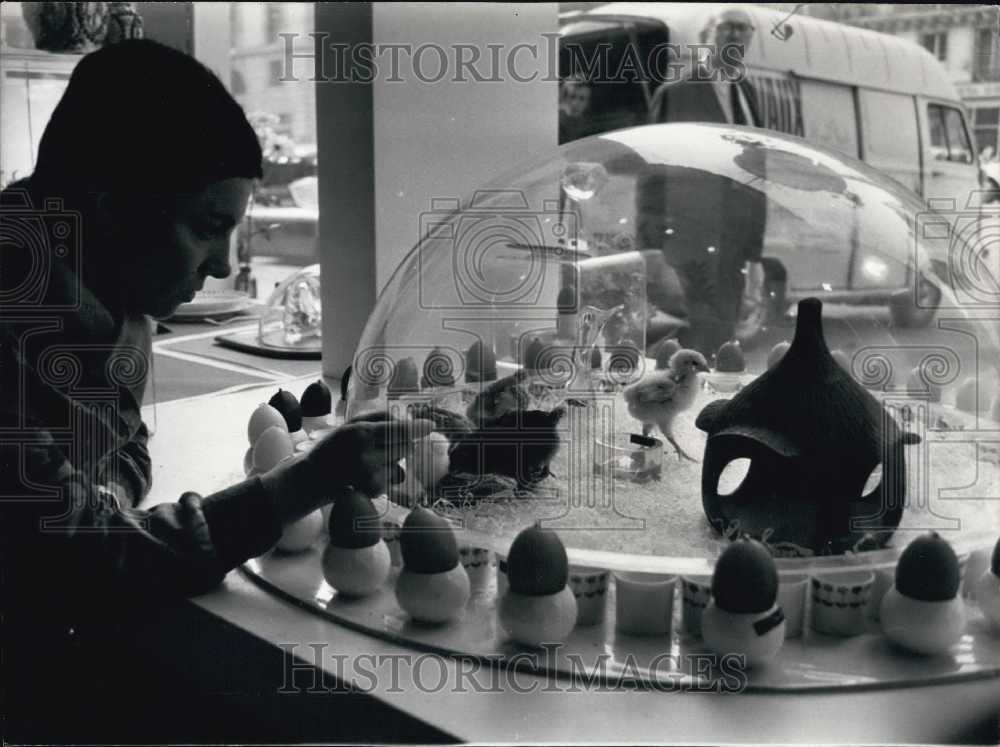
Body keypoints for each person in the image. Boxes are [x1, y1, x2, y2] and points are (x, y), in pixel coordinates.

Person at [0, 40, 430, 742]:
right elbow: (83, 562)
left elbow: (120, 467)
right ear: (111, 210)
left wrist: (95, 495)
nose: (224, 265)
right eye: (207, 227)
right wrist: (300, 485)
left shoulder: (101, 301)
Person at [648, 7, 760, 127]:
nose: (736, 35)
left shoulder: (748, 90)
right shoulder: (674, 94)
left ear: (750, 37)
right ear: (705, 37)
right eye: (727, 27)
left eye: (743, 28)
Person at [558, 75, 592, 143]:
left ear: (587, 103)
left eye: (582, 99)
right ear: (564, 97)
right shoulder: (556, 123)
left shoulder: (584, 122)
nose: (575, 103)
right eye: (572, 96)